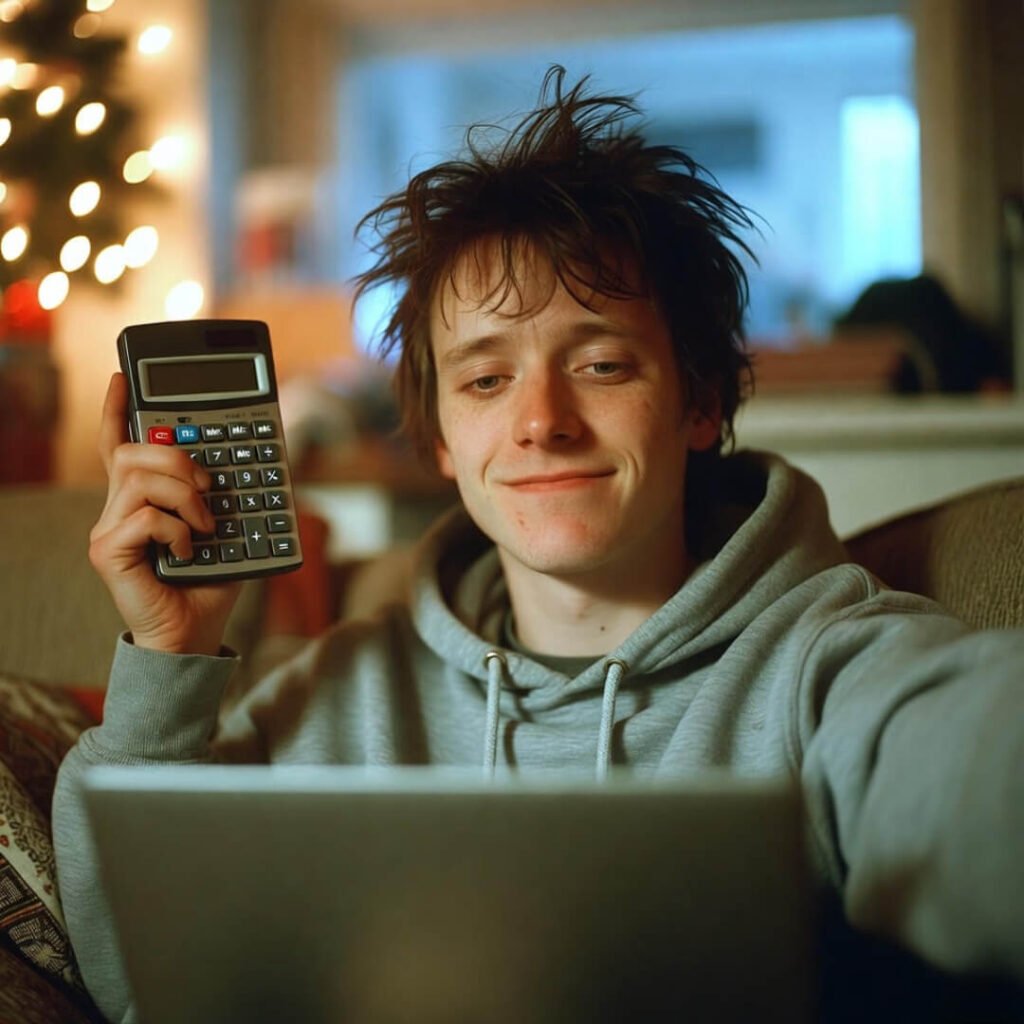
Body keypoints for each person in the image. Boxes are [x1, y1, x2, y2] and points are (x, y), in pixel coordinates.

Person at [54, 67, 1023, 1023]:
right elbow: (142, 982)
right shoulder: (341, 696)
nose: (540, 423)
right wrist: (167, 661)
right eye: (483, 382)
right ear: (437, 437)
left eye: (600, 364)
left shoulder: (833, 667)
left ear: (700, 399)